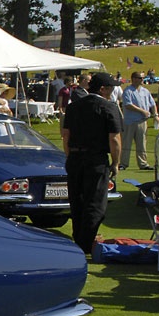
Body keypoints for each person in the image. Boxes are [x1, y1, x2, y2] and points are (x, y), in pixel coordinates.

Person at [61, 72, 122, 254]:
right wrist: (116, 162)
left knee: (77, 199)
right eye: (110, 88)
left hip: (75, 157)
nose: (112, 91)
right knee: (95, 203)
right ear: (102, 89)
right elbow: (115, 139)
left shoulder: (74, 107)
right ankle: (85, 243)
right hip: (96, 158)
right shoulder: (108, 107)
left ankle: (79, 237)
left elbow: (66, 135)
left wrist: (70, 155)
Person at [119, 71, 159, 170]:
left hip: (142, 122)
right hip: (130, 121)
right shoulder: (128, 91)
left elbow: (152, 104)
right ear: (134, 79)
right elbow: (128, 105)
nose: (142, 80)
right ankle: (123, 164)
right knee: (126, 143)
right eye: (140, 78)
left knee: (142, 144)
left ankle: (143, 164)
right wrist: (142, 111)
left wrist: (155, 115)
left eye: (142, 78)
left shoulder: (145, 91)